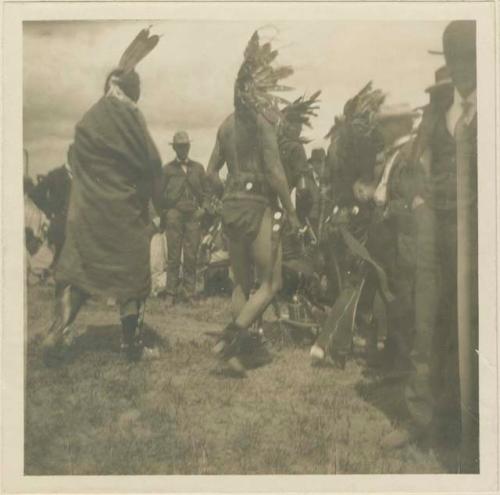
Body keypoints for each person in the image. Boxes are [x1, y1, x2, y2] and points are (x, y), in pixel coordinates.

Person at [383, 22, 478, 474]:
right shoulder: (438, 107)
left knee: (472, 331)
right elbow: (418, 159)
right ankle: (422, 424)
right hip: (434, 232)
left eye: (469, 58)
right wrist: (421, 201)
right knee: (428, 325)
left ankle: (470, 431)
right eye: (455, 58)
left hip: (479, 236)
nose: (463, 69)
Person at [41, 28, 163, 365]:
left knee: (79, 273)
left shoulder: (90, 117)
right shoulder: (132, 117)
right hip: (123, 213)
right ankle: (131, 346)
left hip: (88, 213)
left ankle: (56, 332)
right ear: (132, 94)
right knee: (133, 275)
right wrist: (157, 206)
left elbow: (76, 160)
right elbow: (152, 164)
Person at [207, 30, 301, 375]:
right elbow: (276, 171)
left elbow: (210, 173)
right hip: (257, 205)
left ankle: (236, 355)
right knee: (271, 284)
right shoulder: (263, 123)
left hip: (231, 205)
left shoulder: (225, 125)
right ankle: (229, 340)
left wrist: (227, 195)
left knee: (240, 283)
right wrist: (290, 211)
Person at [352, 104, 418, 374]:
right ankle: (393, 355)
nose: (381, 130)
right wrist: (367, 191)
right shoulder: (393, 154)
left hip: (398, 232)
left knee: (400, 295)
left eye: (387, 124)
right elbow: (385, 188)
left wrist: (384, 204)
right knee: (389, 292)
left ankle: (400, 361)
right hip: (385, 229)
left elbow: (408, 197)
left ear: (402, 125)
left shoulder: (410, 152)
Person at [162, 131, 208, 305]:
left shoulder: (198, 168)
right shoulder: (167, 169)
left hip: (193, 215)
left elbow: (206, 191)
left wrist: (203, 209)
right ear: (174, 148)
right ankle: (170, 293)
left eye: (185, 145)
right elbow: (159, 195)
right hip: (174, 215)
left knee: (191, 255)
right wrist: (166, 213)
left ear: (189, 147)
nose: (183, 149)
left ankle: (189, 293)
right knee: (173, 255)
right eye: (179, 146)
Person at [297, 148, 326, 235]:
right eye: (319, 162)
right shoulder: (304, 179)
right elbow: (301, 207)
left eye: (323, 162)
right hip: (309, 221)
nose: (322, 165)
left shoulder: (325, 180)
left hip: (322, 221)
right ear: (313, 163)